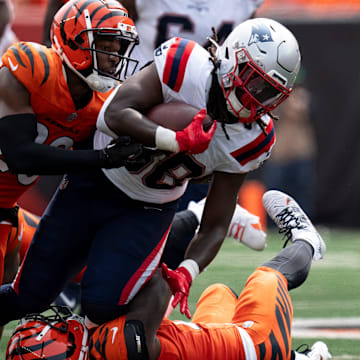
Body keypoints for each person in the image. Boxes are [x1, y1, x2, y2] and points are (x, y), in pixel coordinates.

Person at [0, 17, 301, 329]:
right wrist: (175, 140)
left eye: (269, 92)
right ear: (232, 58)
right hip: (97, 181)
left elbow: (216, 224)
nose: (257, 97)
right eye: (254, 81)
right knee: (29, 297)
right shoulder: (186, 65)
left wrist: (188, 270)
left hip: (149, 207)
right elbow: (111, 115)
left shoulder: (254, 137)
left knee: (102, 306)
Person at [6, 190, 331, 360]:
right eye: (54, 332)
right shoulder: (116, 348)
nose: (57, 324)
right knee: (265, 278)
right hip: (256, 346)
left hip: (216, 346)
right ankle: (306, 241)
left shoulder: (107, 348)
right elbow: (160, 289)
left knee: (217, 293)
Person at [0, 0, 143, 332]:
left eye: (118, 46)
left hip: (8, 210)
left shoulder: (104, 103)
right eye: (105, 44)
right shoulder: (32, 65)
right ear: (74, 40)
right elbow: (21, 154)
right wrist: (102, 159)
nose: (114, 55)